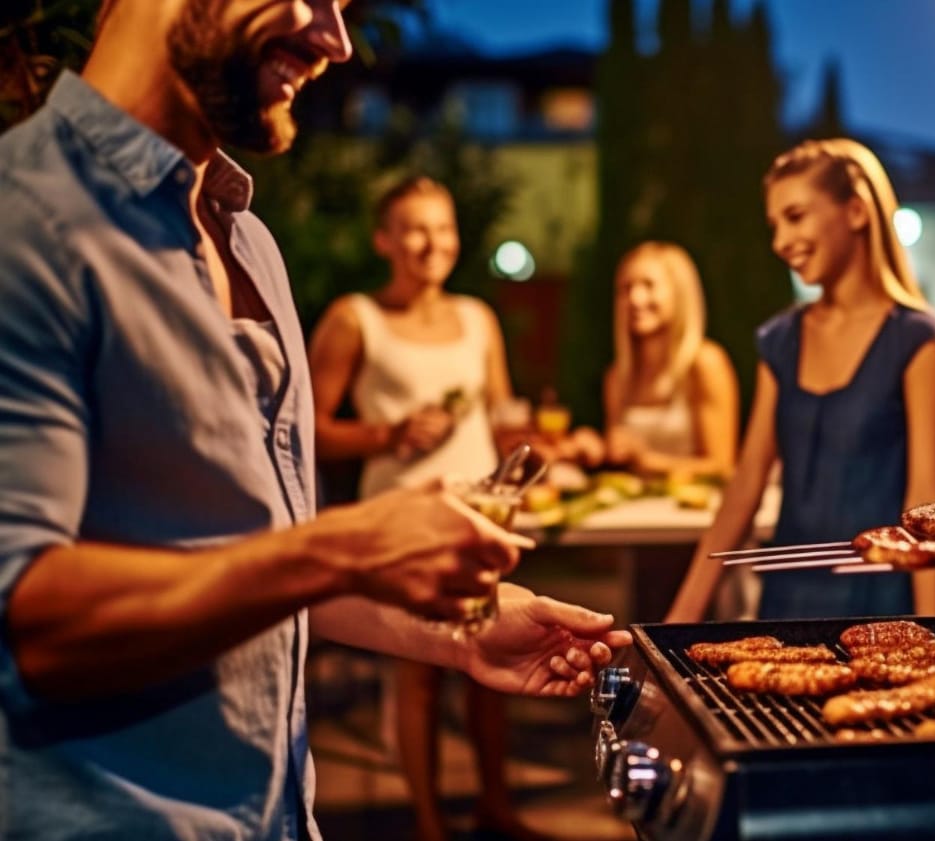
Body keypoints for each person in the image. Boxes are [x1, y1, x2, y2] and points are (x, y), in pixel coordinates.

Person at [0, 2, 629, 840]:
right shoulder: (26, 218)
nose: (334, 41)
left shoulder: (249, 241)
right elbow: (28, 623)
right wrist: (352, 541)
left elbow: (261, 561)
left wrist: (459, 630)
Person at [306, 175, 549, 841]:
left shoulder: (478, 318)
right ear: (385, 239)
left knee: (490, 669)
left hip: (481, 518)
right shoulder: (356, 318)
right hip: (403, 519)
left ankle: (495, 808)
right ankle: (428, 823)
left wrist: (534, 449)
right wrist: (387, 433)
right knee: (417, 673)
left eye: (442, 227)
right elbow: (308, 424)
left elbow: (502, 413)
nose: (431, 242)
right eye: (414, 228)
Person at [665, 138, 935, 623]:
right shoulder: (779, 340)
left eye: (796, 216)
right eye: (774, 225)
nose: (780, 242)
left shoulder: (920, 340)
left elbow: (925, 505)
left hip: (885, 615)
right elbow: (745, 487)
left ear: (857, 212)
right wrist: (675, 624)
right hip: (783, 607)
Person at [603, 241, 740, 480]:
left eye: (648, 285)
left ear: (679, 293)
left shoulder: (705, 363)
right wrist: (597, 451)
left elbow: (722, 467)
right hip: (632, 512)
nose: (635, 298)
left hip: (691, 514)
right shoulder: (618, 376)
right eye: (626, 288)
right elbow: (619, 462)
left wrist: (646, 460)